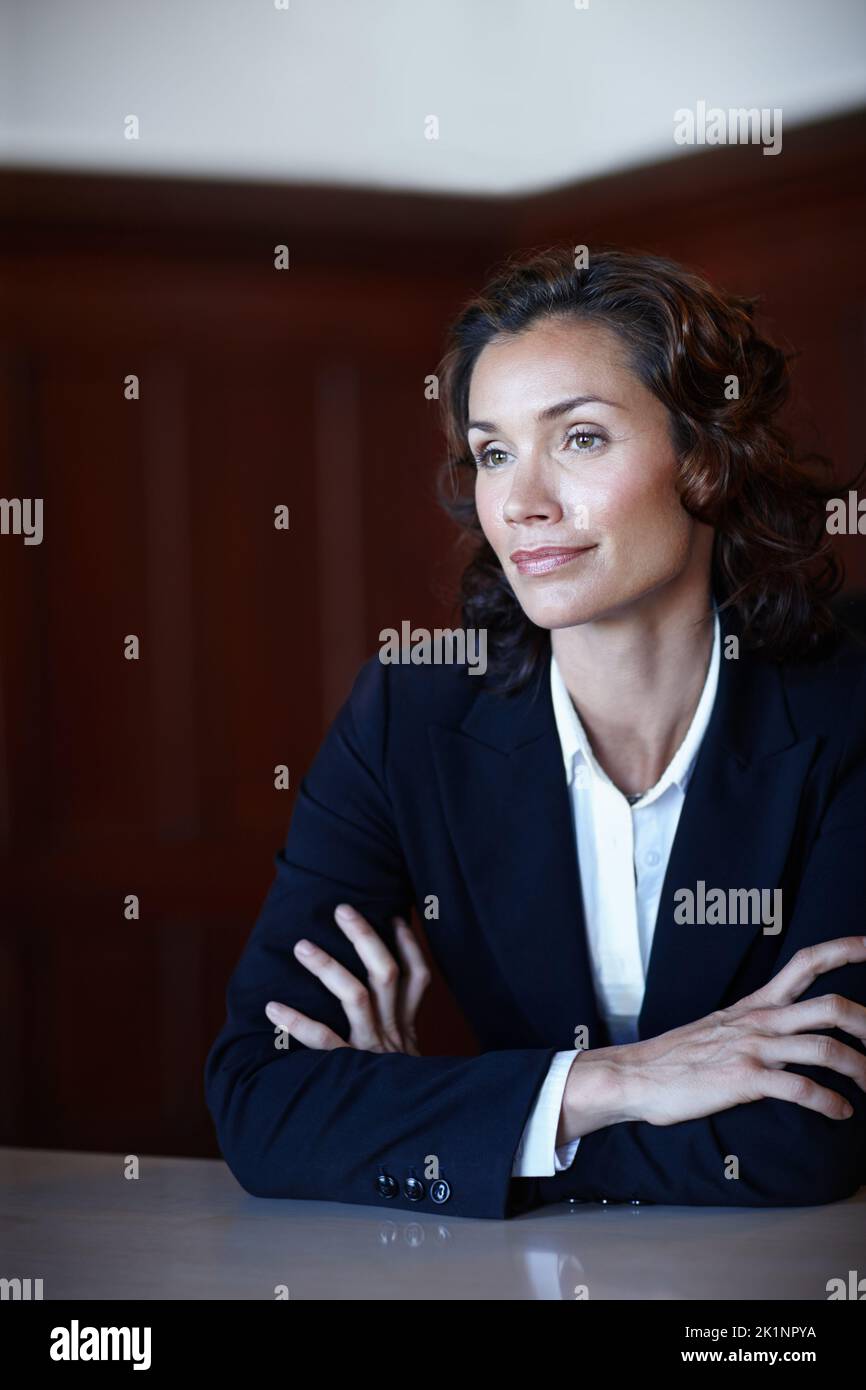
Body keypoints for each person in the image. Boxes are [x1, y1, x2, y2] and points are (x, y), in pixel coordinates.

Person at [204, 246, 866, 1219]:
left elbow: (808, 1134)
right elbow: (261, 1104)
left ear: (701, 455)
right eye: (492, 451)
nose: (519, 503)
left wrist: (444, 1114)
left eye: (581, 438)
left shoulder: (844, 710)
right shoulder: (407, 714)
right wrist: (610, 1083)